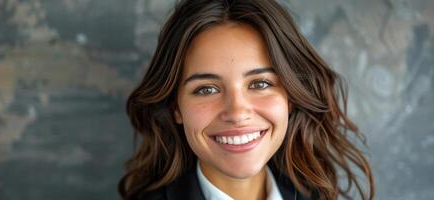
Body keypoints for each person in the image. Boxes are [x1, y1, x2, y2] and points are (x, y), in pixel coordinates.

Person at [119, 0, 374, 199]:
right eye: (207, 89)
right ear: (176, 107)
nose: (237, 112)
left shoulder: (317, 195)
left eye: (260, 84)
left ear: (291, 97)